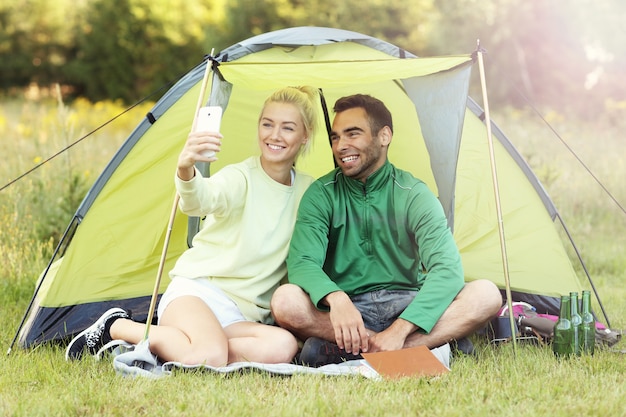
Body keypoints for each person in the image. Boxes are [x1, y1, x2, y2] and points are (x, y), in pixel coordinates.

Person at [66, 86, 319, 366]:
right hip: (197, 294)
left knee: (282, 346)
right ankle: (116, 327)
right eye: (267, 124)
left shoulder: (309, 191)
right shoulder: (240, 177)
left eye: (287, 128)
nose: (274, 135)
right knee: (210, 355)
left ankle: (182, 346)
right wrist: (186, 168)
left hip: (240, 317)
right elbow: (199, 200)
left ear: (305, 136)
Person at [270, 94, 502, 367]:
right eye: (335, 138)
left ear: (384, 136)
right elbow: (302, 262)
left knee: (487, 294)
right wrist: (337, 298)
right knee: (285, 301)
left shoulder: (413, 193)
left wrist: (400, 329)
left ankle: (376, 350)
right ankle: (431, 345)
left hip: (407, 303)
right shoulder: (321, 194)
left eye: (352, 134)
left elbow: (447, 270)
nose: (341, 146)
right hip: (350, 313)